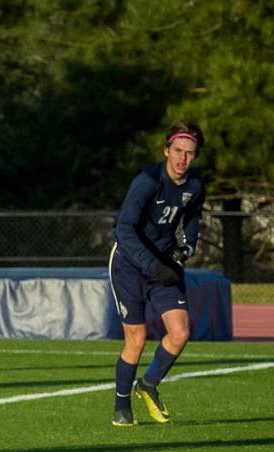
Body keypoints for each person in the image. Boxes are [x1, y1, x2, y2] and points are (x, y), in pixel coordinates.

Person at [109, 121, 206, 426]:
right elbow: (123, 230)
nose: (182, 158)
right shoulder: (147, 181)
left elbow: (192, 217)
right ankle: (121, 407)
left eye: (189, 153)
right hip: (128, 265)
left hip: (163, 266)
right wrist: (154, 266)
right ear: (166, 150)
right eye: (177, 151)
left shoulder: (195, 186)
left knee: (180, 333)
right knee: (136, 340)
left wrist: (187, 247)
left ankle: (148, 384)